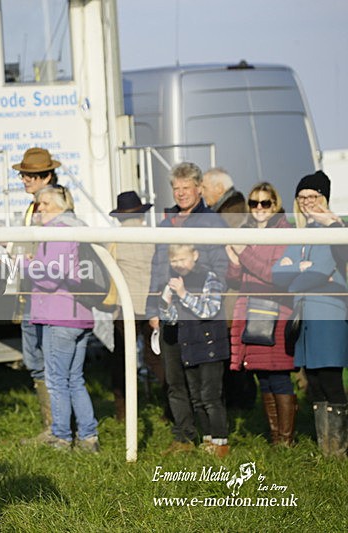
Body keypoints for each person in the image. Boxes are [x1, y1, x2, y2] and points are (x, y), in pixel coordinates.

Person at [145, 162, 228, 455]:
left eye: (186, 188)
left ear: (198, 188)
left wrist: (191, 279)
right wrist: (152, 307)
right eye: (176, 188)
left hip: (199, 313)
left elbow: (221, 265)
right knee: (174, 379)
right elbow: (156, 267)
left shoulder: (213, 221)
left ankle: (213, 437)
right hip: (169, 312)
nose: (180, 193)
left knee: (203, 384)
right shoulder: (166, 224)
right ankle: (182, 436)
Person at [273, 171, 348, 457]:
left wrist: (298, 271)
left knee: (330, 380)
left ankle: (338, 450)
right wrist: (301, 272)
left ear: (324, 198)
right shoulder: (300, 235)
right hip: (304, 316)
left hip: (328, 315)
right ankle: (325, 446)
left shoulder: (333, 230)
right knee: (314, 383)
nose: (306, 202)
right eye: (302, 197)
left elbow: (319, 270)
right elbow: (277, 273)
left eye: (313, 196)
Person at [22, 186, 99, 452]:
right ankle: (89, 436)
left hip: (59, 314)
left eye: (43, 203)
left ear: (57, 205)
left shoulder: (56, 231)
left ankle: (62, 437)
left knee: (56, 380)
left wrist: (23, 263)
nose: (38, 208)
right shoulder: (76, 227)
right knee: (75, 379)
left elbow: (50, 277)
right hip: (80, 314)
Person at [226, 182, 296, 445]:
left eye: (265, 203)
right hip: (249, 313)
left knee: (279, 375)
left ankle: (286, 440)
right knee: (262, 377)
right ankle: (275, 435)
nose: (259, 208)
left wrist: (243, 253)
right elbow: (234, 279)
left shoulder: (285, 232)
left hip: (275, 313)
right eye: (254, 203)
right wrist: (234, 262)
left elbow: (274, 275)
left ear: (275, 205)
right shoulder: (245, 232)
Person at [159, 244, 230, 457]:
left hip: (210, 347)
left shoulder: (210, 278)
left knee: (211, 397)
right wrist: (166, 303)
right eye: (174, 261)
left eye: (183, 259)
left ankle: (220, 442)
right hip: (188, 346)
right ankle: (207, 439)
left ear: (195, 256)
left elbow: (209, 310)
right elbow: (171, 320)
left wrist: (183, 293)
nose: (178, 265)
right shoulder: (173, 281)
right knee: (197, 398)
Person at [11, 147, 61, 441]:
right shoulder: (34, 207)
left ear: (47, 176)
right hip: (31, 291)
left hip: (47, 293)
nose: (25, 179)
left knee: (49, 361)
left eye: (30, 175)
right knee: (35, 360)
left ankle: (59, 428)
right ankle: (52, 425)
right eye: (24, 174)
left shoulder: (53, 205)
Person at [108, 191, 165, 421]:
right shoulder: (154, 236)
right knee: (157, 359)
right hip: (152, 304)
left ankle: (122, 412)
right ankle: (171, 408)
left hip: (126, 306)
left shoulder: (114, 239)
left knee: (121, 359)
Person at [201, 167, 255, 411]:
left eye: (205, 187)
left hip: (233, 294)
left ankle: (240, 405)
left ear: (219, 189)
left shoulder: (231, 213)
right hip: (230, 292)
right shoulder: (229, 209)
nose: (202, 192)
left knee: (235, 354)